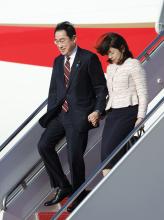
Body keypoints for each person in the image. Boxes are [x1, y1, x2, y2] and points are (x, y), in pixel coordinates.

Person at [38, 21, 108, 212]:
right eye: (56, 41)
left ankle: (77, 194)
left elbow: (101, 89)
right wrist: (52, 112)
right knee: (43, 145)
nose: (59, 44)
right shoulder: (58, 61)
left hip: (80, 117)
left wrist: (97, 110)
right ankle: (63, 185)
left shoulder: (88, 59)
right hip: (61, 115)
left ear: (74, 39)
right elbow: (54, 90)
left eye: (62, 40)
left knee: (74, 156)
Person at [96, 32, 148, 175]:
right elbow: (112, 93)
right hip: (113, 114)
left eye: (112, 52)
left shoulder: (134, 65)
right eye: (108, 54)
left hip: (128, 112)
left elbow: (143, 93)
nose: (110, 57)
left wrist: (141, 117)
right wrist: (102, 111)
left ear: (122, 48)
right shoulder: (110, 68)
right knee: (106, 156)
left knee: (111, 155)